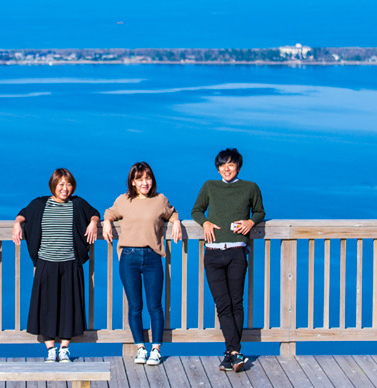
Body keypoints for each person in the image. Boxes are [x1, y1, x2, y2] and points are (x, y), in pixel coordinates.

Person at [11, 168, 99, 363]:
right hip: (46, 263)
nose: (65, 188)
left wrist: (93, 223)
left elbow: (94, 213)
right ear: (53, 185)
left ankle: (64, 348)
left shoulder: (78, 204)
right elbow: (23, 214)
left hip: (70, 262)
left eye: (68, 184)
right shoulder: (40, 204)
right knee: (47, 307)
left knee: (69, 306)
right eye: (60, 184)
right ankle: (50, 348)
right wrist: (17, 224)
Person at [191, 148, 265, 372]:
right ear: (217, 168)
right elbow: (196, 210)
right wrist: (204, 223)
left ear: (238, 167)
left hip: (236, 252)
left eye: (231, 165)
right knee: (222, 304)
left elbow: (260, 212)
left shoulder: (250, 187)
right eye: (222, 165)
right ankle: (234, 352)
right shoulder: (209, 186)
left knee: (235, 302)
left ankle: (231, 352)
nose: (226, 169)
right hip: (213, 253)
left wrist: (251, 223)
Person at [102, 162, 182, 366]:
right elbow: (109, 213)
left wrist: (177, 223)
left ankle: (156, 349)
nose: (144, 182)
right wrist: (107, 224)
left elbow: (171, 213)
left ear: (152, 180)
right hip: (128, 257)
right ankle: (140, 348)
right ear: (132, 182)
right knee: (135, 306)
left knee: (155, 306)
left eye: (147, 178)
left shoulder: (160, 200)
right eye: (139, 179)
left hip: (152, 256)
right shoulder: (124, 200)